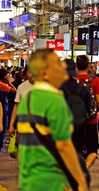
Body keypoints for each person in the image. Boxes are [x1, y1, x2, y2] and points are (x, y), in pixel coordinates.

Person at [17, 48, 88, 191]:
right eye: (56, 64)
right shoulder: (55, 101)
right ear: (45, 73)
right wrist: (80, 181)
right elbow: (64, 146)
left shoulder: (28, 100)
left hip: (28, 180)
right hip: (52, 180)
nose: (62, 66)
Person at [76, 55, 99, 169]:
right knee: (93, 150)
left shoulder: (71, 80)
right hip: (91, 120)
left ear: (76, 66)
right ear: (88, 66)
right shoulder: (94, 81)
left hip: (74, 121)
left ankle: (77, 171)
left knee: (76, 150)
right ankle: (86, 167)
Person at [61, 59, 92, 156]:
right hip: (79, 126)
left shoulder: (56, 88)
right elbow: (89, 109)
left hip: (62, 127)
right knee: (77, 153)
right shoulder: (83, 89)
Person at [8, 66, 34, 137]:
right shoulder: (21, 87)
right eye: (30, 72)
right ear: (26, 74)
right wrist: (11, 125)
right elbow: (16, 106)